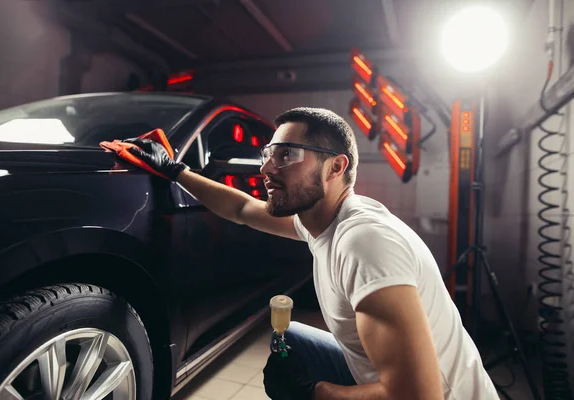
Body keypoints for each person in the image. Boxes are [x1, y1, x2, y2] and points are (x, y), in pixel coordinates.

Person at [120, 107, 499, 400]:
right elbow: (242, 210)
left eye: (286, 155)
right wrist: (174, 170)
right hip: (396, 382)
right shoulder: (320, 218)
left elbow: (418, 396)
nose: (265, 168)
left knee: (299, 372)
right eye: (269, 154)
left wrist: (315, 392)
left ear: (336, 167)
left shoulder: (364, 244)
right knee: (293, 341)